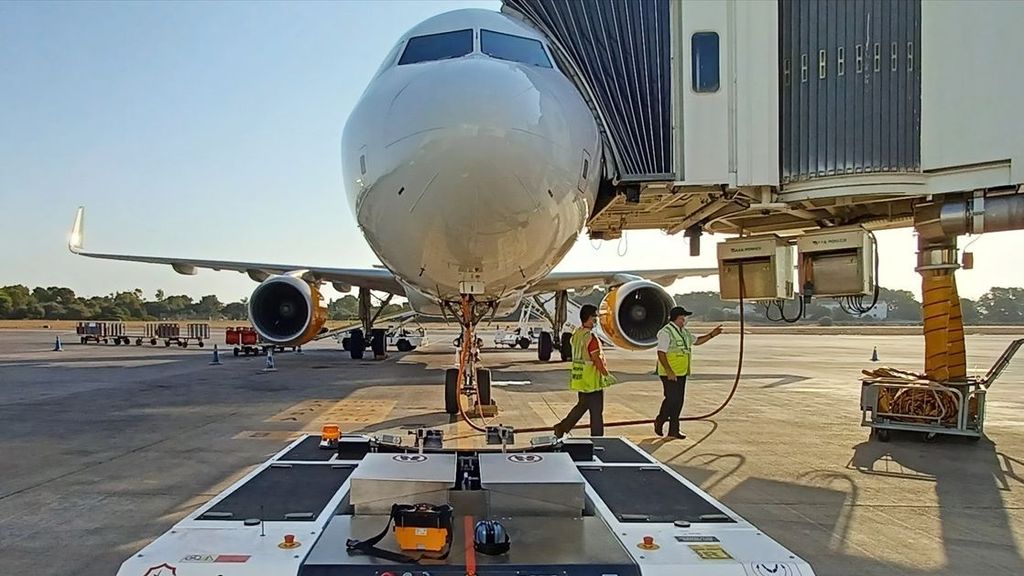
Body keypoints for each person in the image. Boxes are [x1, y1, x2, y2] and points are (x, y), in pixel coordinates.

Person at [654, 306, 722, 439]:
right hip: (669, 373)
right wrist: (669, 370)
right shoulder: (666, 332)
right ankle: (660, 420)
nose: (684, 320)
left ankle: (674, 429)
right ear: (676, 318)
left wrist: (712, 334)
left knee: (678, 401)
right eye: (682, 317)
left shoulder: (684, 332)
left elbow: (697, 341)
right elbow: (661, 352)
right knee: (671, 399)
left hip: (682, 372)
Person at [553, 304, 615, 438]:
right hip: (592, 381)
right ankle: (597, 439)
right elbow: (596, 358)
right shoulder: (590, 337)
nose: (596, 320)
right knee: (596, 412)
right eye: (595, 317)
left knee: (581, 407)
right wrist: (606, 374)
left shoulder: (577, 334)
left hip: (581, 379)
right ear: (588, 318)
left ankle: (562, 427)